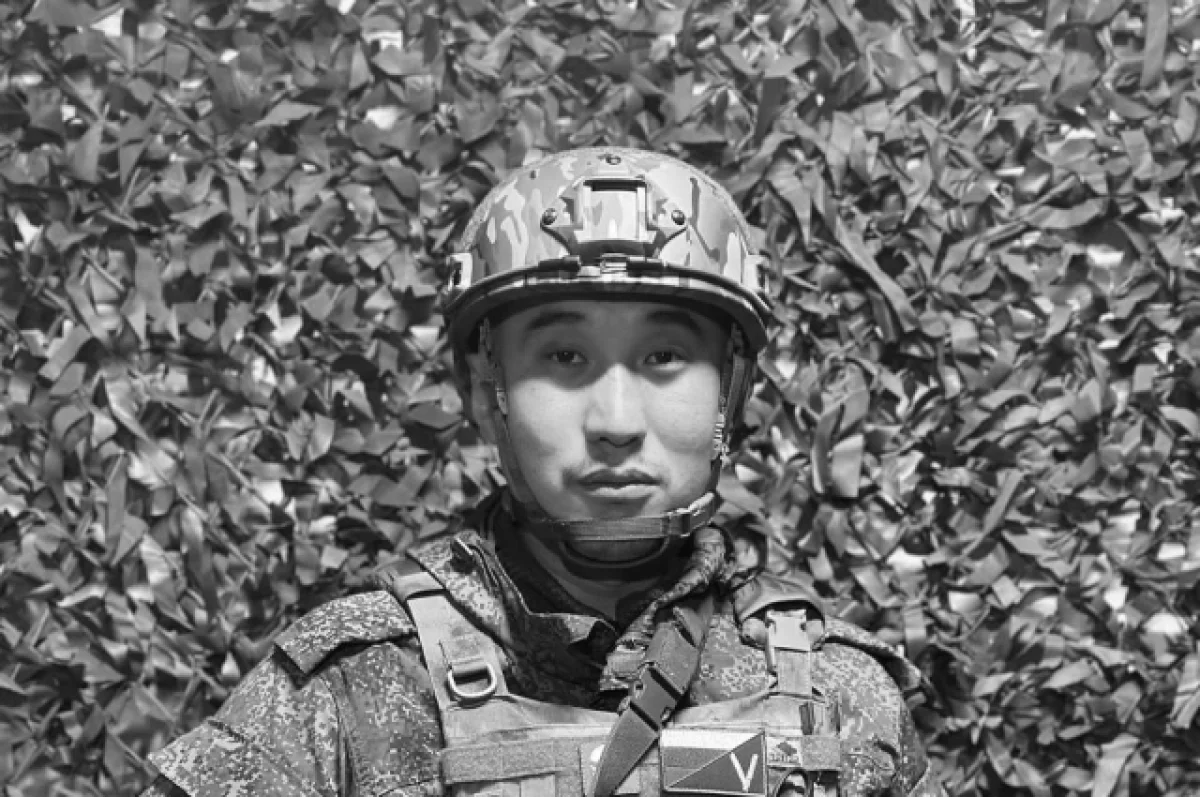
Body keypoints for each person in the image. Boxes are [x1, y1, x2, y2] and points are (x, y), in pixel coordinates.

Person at [141, 147, 941, 797]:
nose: (616, 421)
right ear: (485, 392)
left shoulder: (840, 691)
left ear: (731, 390)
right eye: (564, 357)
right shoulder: (350, 688)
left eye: (664, 356)